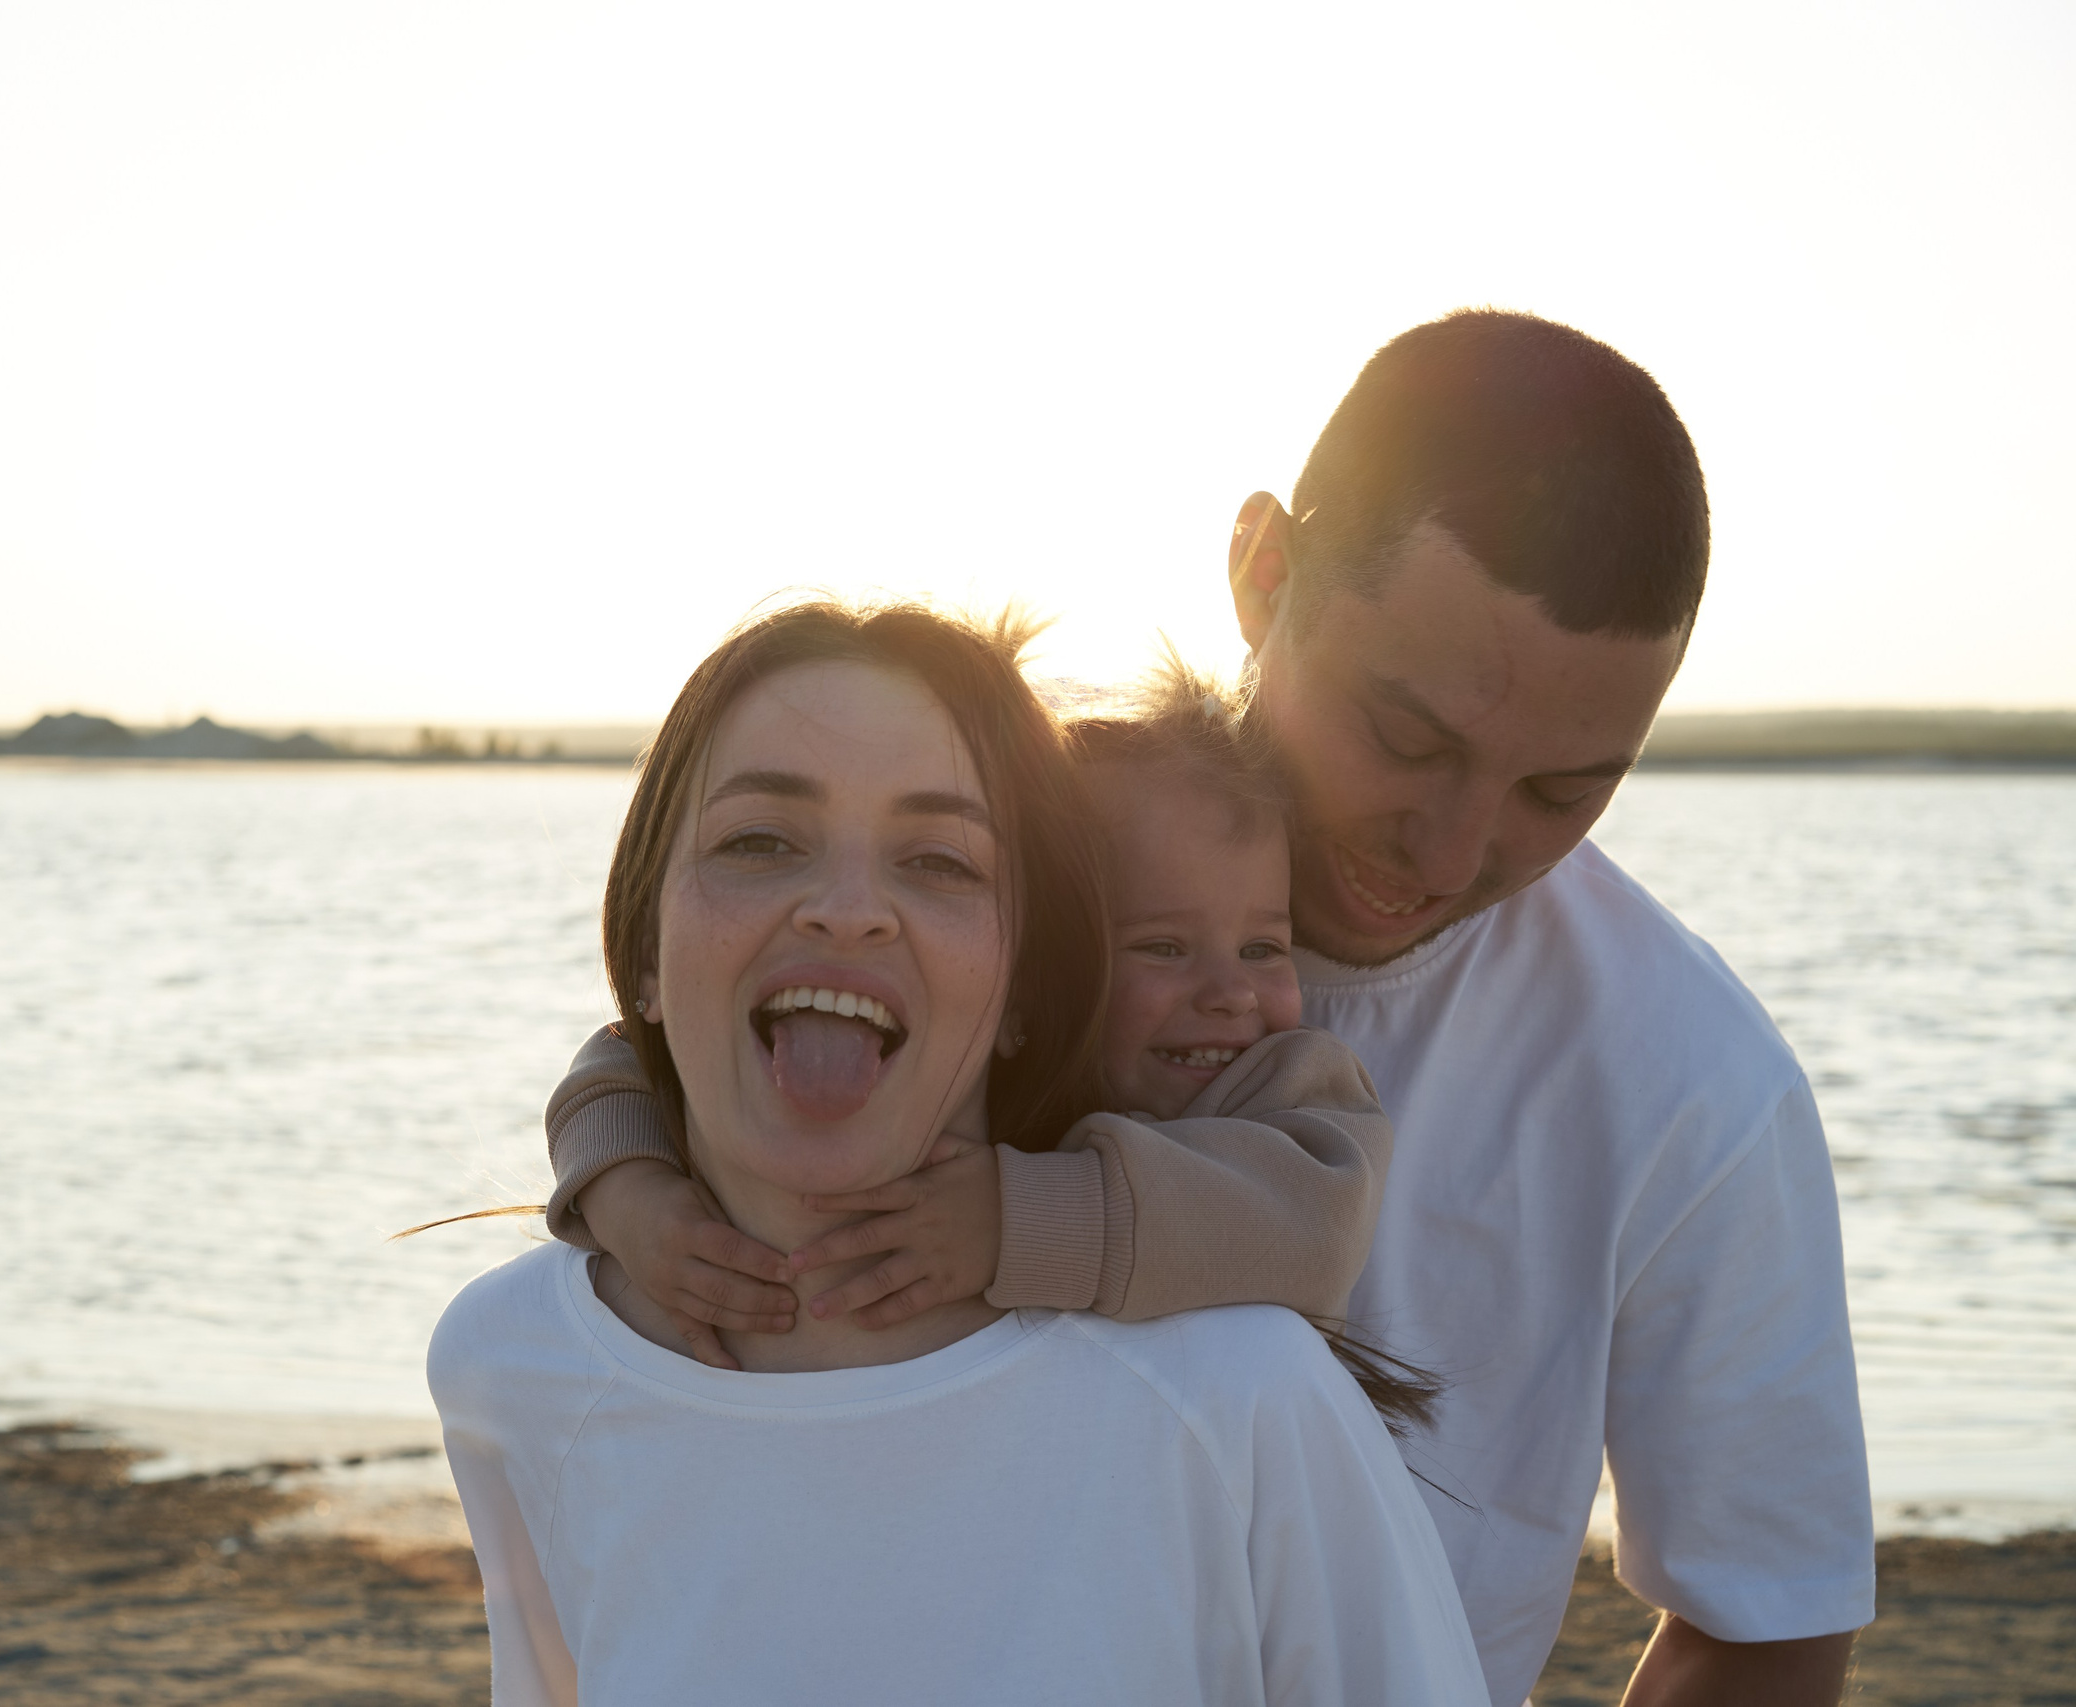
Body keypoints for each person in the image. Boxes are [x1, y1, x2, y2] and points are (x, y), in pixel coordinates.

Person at [536, 313, 1875, 1707]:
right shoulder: (1017, 860)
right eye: (1408, 738)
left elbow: (1763, 1623)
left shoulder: (1694, 1080)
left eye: (1564, 790)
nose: (1451, 843)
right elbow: (694, 1030)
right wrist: (625, 1179)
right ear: (1262, 569)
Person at [427, 601, 1488, 1706]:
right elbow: (618, 1069)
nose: (847, 911)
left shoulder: (1239, 1396)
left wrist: (1016, 1216)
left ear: (1027, 985)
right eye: (758, 841)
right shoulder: (515, 1365)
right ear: (642, 947)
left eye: (938, 860)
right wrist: (625, 1183)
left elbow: (1315, 1202)